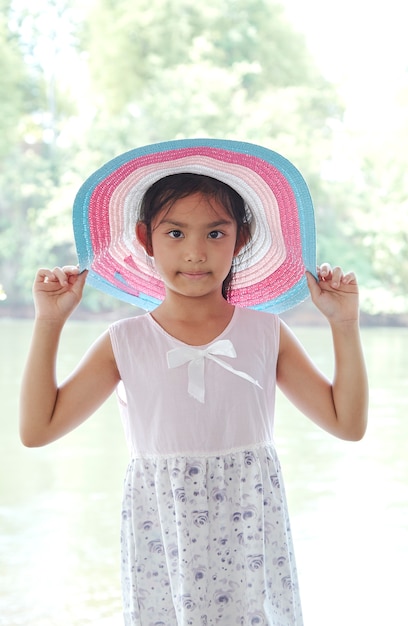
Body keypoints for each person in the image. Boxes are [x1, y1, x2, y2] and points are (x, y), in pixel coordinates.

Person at [20, 139, 368, 626]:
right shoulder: (125, 341)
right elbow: (37, 430)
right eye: (176, 233)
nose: (196, 253)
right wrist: (49, 322)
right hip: (165, 543)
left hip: (251, 545)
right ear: (146, 239)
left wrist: (344, 325)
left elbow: (347, 424)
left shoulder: (266, 332)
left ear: (240, 239)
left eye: (216, 233)